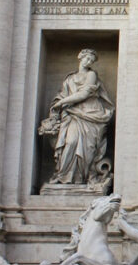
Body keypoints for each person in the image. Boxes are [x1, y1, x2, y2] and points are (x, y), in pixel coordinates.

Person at [39, 49, 115, 187]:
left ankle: (83, 179)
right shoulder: (70, 78)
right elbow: (61, 95)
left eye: (92, 60)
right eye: (87, 58)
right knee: (71, 142)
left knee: (88, 148)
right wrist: (58, 105)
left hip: (90, 113)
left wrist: (62, 103)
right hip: (72, 114)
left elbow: (84, 94)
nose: (89, 62)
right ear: (80, 57)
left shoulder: (92, 75)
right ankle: (63, 176)